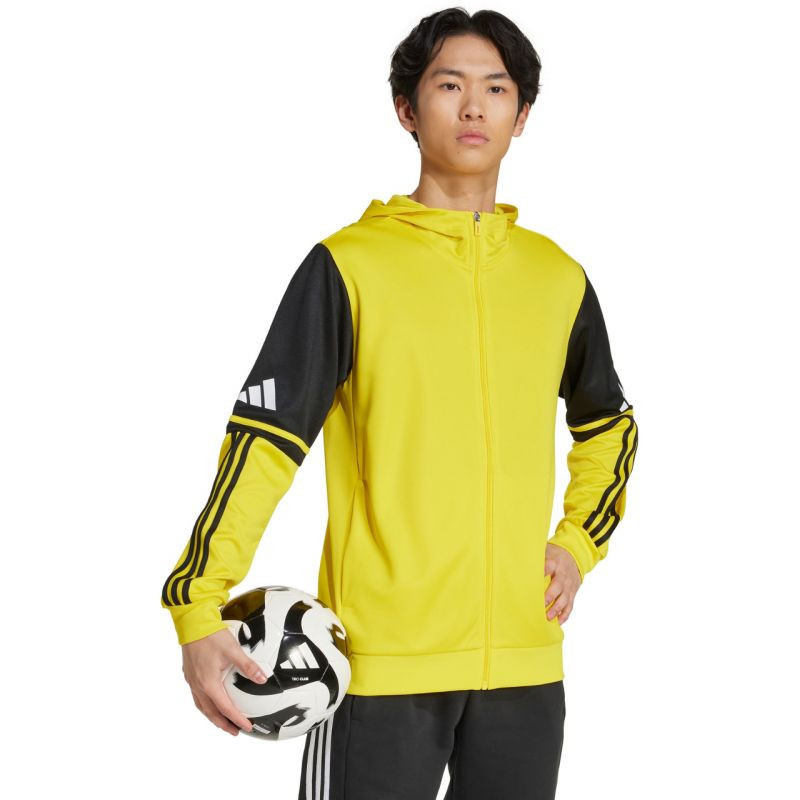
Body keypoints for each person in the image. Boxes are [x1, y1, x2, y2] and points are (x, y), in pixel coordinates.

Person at [161, 8, 639, 799]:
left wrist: (578, 543)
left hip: (525, 669)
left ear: (523, 115)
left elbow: (609, 426)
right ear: (406, 109)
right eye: (449, 86)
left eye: (497, 89)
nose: (474, 106)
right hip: (377, 670)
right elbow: (265, 440)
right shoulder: (348, 268)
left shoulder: (558, 279)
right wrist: (198, 602)